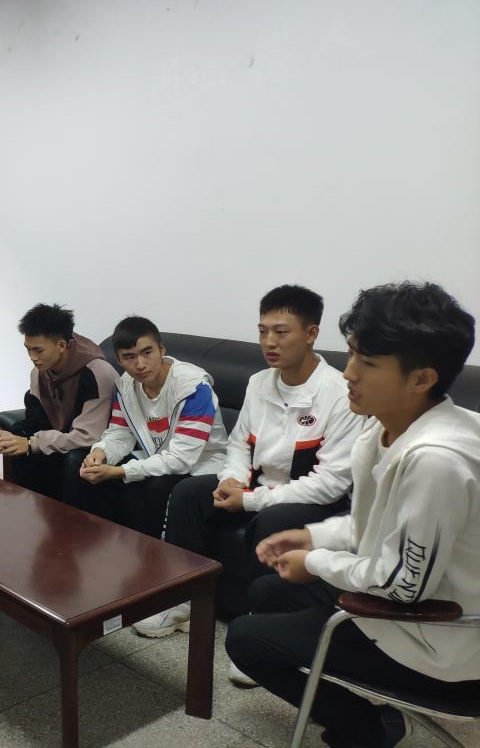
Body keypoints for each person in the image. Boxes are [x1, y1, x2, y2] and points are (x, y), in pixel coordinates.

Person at [226, 281, 480, 748]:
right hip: (413, 603)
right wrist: (312, 536)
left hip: (440, 636)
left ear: (421, 378)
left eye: (368, 362)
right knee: (267, 590)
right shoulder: (383, 431)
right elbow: (373, 524)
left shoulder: (437, 459)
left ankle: (368, 730)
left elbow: (404, 586)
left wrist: (316, 562)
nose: (349, 373)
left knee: (245, 640)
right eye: (352, 355)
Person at [133, 285, 364, 641]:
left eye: (281, 332)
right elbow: (239, 443)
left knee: (272, 519)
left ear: (311, 334)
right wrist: (232, 479)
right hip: (258, 486)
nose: (269, 342)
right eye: (263, 331)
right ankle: (182, 600)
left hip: (313, 499)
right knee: (189, 494)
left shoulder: (337, 393)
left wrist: (250, 500)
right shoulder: (259, 383)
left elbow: (330, 484)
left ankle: (263, 622)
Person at [71, 316, 228, 538]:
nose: (140, 364)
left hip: (201, 464)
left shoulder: (193, 388)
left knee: (155, 485)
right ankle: (97, 542)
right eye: (129, 357)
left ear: (161, 349)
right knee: (79, 462)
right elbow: (120, 432)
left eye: (147, 352)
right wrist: (100, 452)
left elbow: (182, 459)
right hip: (155, 455)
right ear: (119, 360)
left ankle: (152, 554)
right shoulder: (126, 385)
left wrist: (120, 472)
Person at [0, 303, 117, 501]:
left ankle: (69, 518)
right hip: (65, 436)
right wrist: (16, 438)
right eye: (28, 349)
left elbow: (89, 436)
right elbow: (37, 420)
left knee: (71, 459)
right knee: (19, 444)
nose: (32, 357)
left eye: (38, 350)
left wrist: (32, 443)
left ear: (62, 345)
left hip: (96, 444)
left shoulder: (96, 373)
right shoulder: (40, 371)